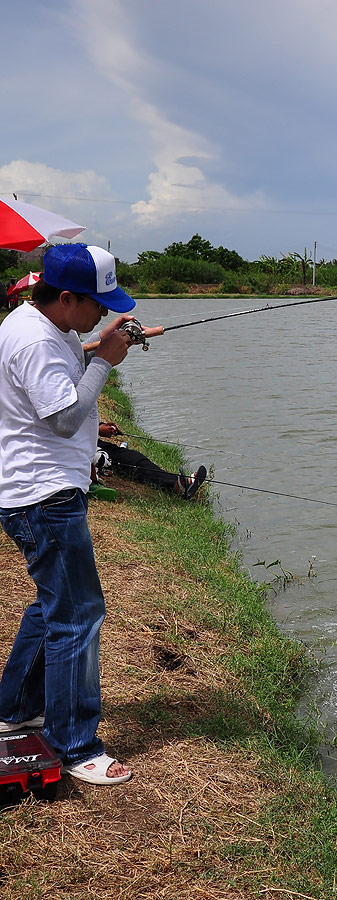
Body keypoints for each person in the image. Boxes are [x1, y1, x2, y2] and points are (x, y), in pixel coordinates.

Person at [0, 243, 142, 785]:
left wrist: (96, 346)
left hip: (33, 488)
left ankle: (15, 707)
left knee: (53, 604)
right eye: (98, 304)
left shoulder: (34, 322)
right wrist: (105, 360)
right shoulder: (37, 339)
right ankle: (75, 743)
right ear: (65, 298)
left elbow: (57, 372)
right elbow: (62, 417)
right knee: (79, 614)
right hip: (44, 494)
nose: (104, 311)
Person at [96, 422, 206, 500]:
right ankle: (177, 486)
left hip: (92, 441)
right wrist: (98, 429)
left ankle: (180, 483)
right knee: (130, 461)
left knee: (131, 456)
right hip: (84, 447)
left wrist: (100, 426)